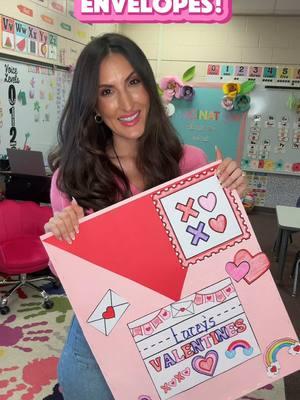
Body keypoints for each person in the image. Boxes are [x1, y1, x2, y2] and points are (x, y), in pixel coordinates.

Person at [45, 33, 247, 400]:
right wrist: (63, 243)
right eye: (106, 91)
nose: (125, 103)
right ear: (92, 103)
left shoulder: (189, 163)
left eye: (133, 82)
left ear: (149, 86)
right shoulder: (71, 179)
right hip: (100, 345)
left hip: (176, 333)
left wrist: (231, 198)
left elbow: (214, 259)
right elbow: (74, 285)